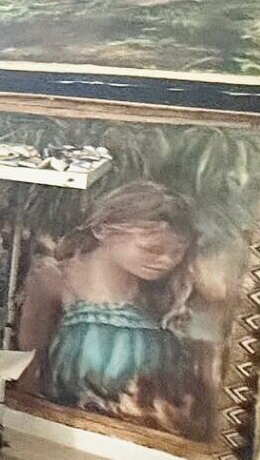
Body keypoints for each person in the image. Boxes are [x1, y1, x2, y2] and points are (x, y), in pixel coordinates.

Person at [20, 180, 210, 438]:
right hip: (65, 427)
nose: (166, 261)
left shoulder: (163, 296)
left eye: (177, 253)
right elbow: (28, 355)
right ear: (102, 229)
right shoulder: (56, 278)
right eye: (152, 249)